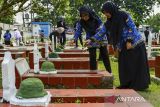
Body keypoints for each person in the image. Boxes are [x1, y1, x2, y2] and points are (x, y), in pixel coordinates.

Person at [87, 1, 150, 90]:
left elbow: (132, 27)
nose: (106, 14)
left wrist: (129, 40)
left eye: (106, 12)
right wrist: (91, 39)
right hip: (123, 45)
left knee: (135, 65)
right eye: (104, 13)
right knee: (125, 66)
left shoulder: (123, 15)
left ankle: (139, 86)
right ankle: (126, 84)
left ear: (111, 10)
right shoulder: (108, 23)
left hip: (134, 43)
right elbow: (101, 32)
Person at [71, 5, 112, 73]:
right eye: (82, 16)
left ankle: (109, 72)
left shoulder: (96, 18)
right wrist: (74, 39)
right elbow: (78, 31)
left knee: (105, 56)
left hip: (100, 36)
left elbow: (102, 28)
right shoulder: (81, 22)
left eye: (86, 15)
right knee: (92, 56)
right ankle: (93, 73)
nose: (84, 18)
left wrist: (95, 36)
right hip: (89, 38)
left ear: (89, 13)